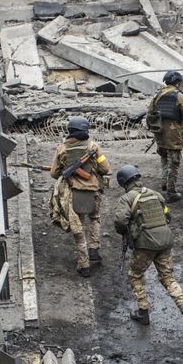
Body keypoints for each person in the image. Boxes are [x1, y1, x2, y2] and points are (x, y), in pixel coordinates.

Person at [112, 164, 183, 327]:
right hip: (165, 241)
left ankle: (143, 312)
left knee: (135, 275)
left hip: (146, 244)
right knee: (167, 277)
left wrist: (129, 230)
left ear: (123, 182)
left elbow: (120, 222)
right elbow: (167, 216)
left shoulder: (126, 198)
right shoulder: (155, 194)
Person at [49, 115, 111, 278]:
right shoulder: (94, 146)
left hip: (73, 194)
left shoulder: (61, 148)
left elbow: (54, 173)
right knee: (95, 218)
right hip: (93, 191)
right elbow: (105, 168)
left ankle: (84, 265)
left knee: (79, 228)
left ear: (70, 131)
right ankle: (94, 249)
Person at [146, 70, 183, 202]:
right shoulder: (179, 95)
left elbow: (150, 112)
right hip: (173, 135)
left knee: (164, 160)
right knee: (174, 163)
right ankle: (171, 192)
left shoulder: (158, 94)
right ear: (177, 82)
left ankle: (164, 183)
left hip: (160, 134)